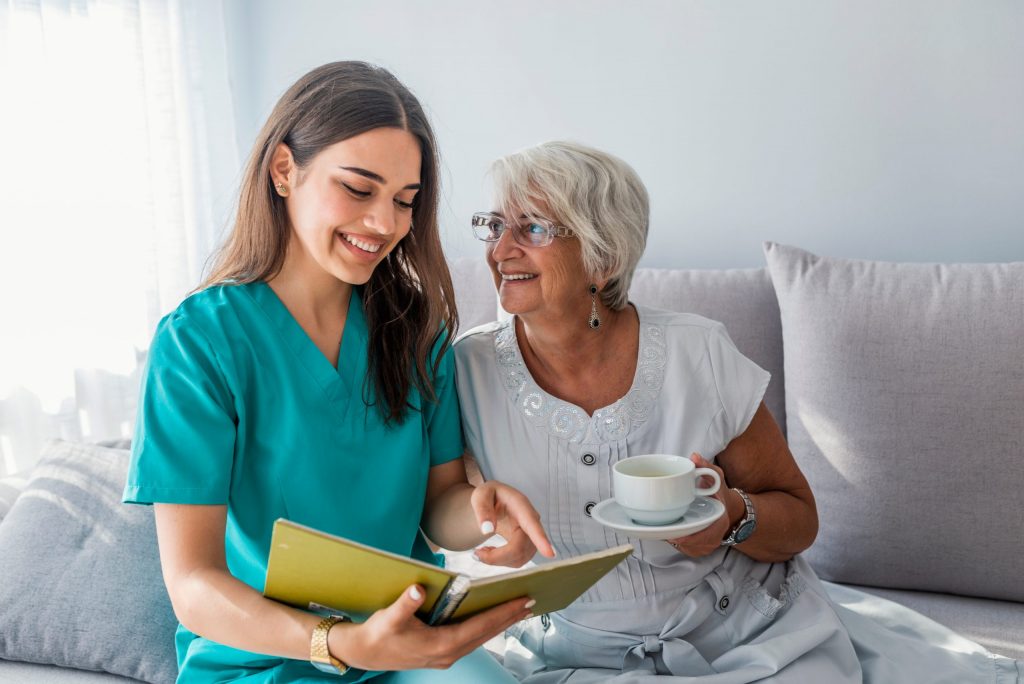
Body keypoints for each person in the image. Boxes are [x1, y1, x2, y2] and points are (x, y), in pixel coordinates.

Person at [453, 140, 1020, 682]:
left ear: (603, 255)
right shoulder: (465, 370)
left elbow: (799, 518)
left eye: (532, 228)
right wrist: (483, 522)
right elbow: (436, 506)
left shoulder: (697, 352)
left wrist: (729, 518)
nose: (500, 250)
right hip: (575, 659)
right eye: (495, 225)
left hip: (745, 641)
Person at [123, 61, 554, 683]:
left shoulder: (416, 331)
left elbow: (440, 506)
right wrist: (341, 642)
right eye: (359, 189)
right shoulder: (198, 343)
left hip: (407, 648)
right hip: (262, 661)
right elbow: (194, 582)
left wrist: (485, 512)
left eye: (405, 202)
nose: (385, 224)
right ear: (283, 170)